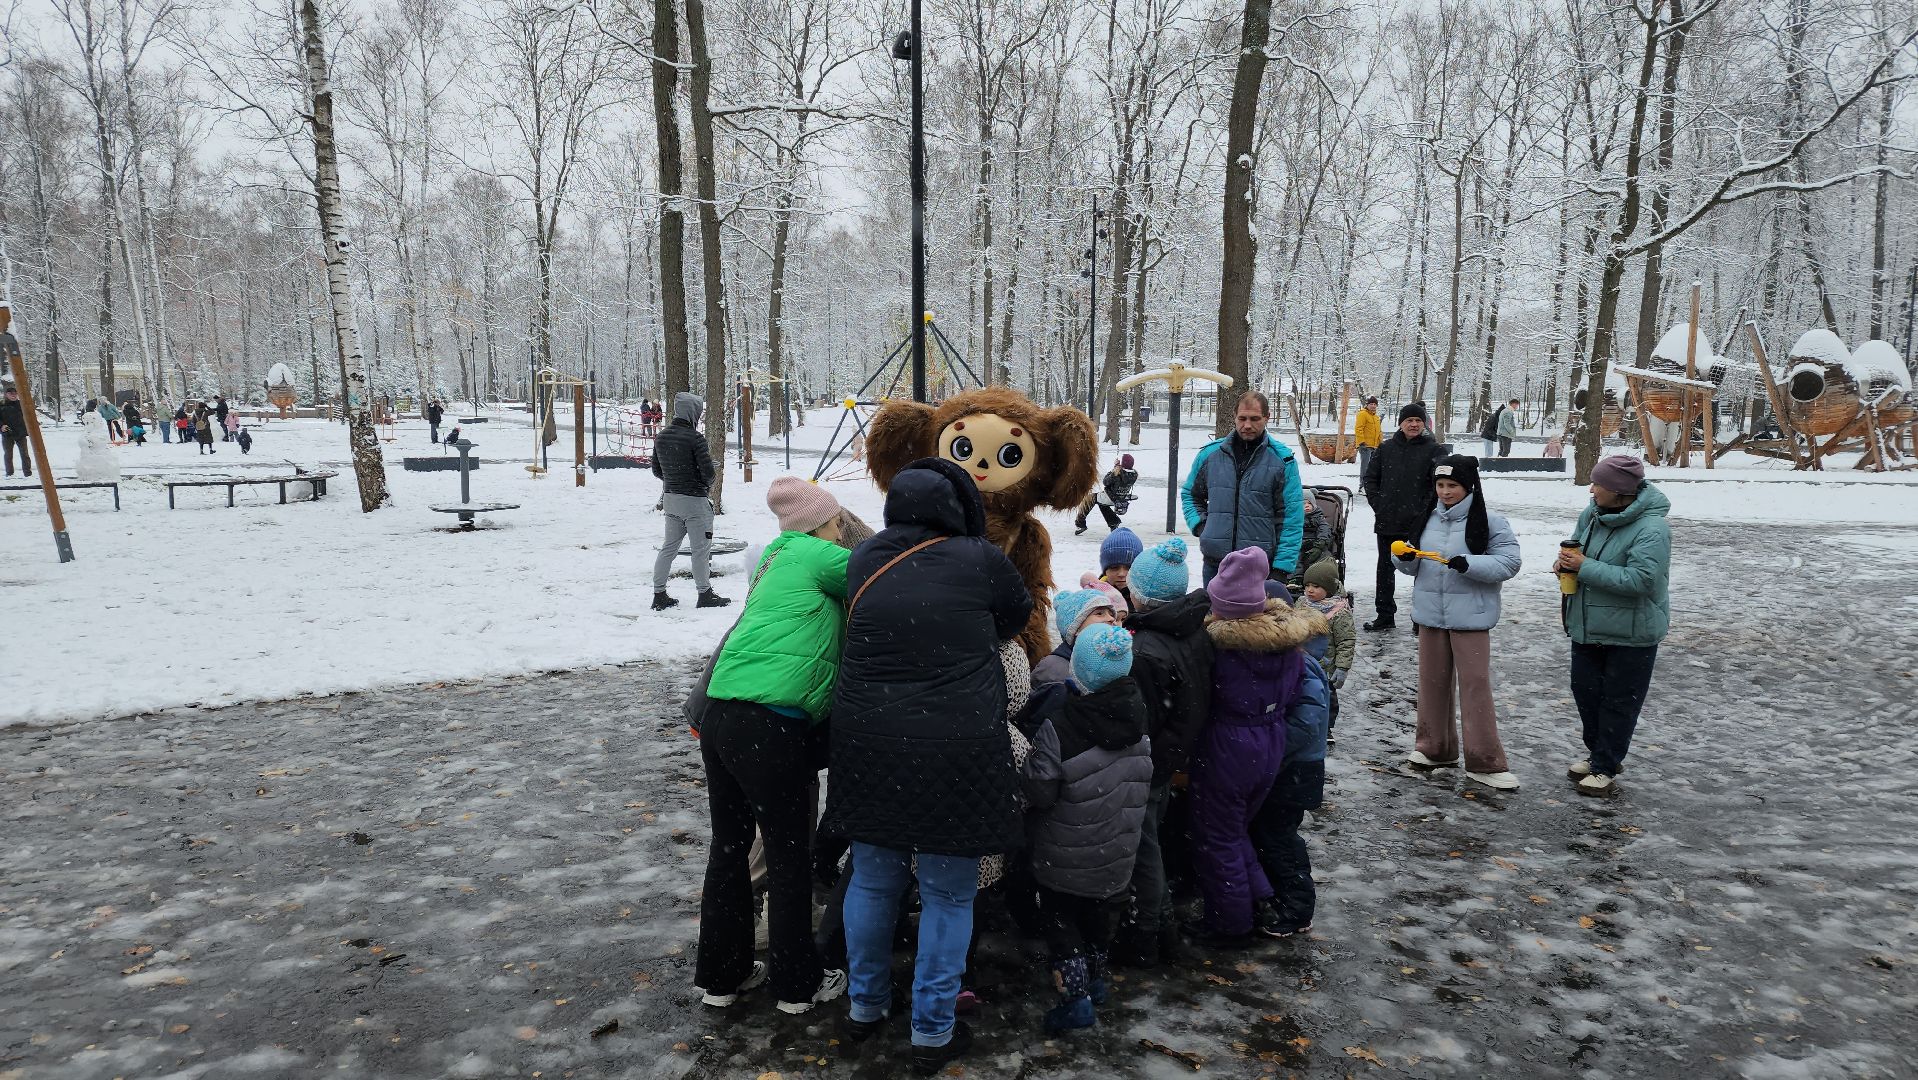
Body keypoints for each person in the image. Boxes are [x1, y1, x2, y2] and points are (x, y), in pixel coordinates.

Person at [823, 456, 1032, 1075]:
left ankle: (864, 1009)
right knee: (947, 892)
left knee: (871, 879)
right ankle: (932, 1030)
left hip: (867, 742)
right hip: (957, 749)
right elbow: (1014, 620)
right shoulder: (983, 559)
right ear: (961, 507)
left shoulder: (865, 558)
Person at [695, 477, 852, 1015]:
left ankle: (723, 975)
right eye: (836, 523)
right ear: (819, 523)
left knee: (730, 848)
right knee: (789, 858)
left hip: (721, 714)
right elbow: (882, 579)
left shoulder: (774, 559)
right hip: (770, 723)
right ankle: (796, 985)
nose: (840, 532)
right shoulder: (818, 553)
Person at [1185, 546, 1327, 947]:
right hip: (1271, 743)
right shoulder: (1286, 647)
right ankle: (1260, 896)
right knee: (1236, 831)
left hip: (1231, 747)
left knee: (1217, 838)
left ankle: (1230, 924)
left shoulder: (1224, 652)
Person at [1020, 623, 1152, 1034]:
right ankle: (1096, 981)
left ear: (1078, 670)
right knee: (1099, 921)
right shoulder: (1139, 720)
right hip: (1117, 851)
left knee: (1061, 925)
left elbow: (1041, 791)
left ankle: (1075, 999)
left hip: (1063, 853)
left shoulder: (1060, 724)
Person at [1114, 536, 1212, 968]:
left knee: (1145, 847)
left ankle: (1153, 933)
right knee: (1155, 837)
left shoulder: (1147, 649)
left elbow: (1144, 717)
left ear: (1142, 594)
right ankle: (1161, 923)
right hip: (1179, 748)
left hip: (1155, 759)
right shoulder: (1191, 626)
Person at [1397, 455, 1522, 790]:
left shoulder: (1491, 522)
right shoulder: (1425, 519)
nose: (1445, 492)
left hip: (1472, 617)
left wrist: (1470, 564)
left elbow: (1509, 563)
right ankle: (1434, 748)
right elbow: (1413, 565)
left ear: (1468, 487)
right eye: (1440, 485)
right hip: (1430, 615)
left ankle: (1486, 761)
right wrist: (1403, 558)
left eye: (1452, 485)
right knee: (1432, 683)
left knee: (1475, 685)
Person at [1556, 455, 1670, 797]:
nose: (1591, 490)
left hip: (1631, 633)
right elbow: (1576, 553)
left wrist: (1585, 567)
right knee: (1586, 693)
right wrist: (1563, 565)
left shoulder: (1653, 529)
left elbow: (1643, 581)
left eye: (1598, 484)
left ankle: (1605, 764)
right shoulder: (1591, 516)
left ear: (1620, 491)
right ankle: (1600, 755)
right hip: (1588, 624)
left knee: (1619, 701)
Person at [1180, 391, 1307, 585]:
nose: (1247, 425)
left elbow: (1291, 518)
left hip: (1259, 568)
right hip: (1216, 565)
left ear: (1267, 417)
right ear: (1235, 417)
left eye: (1255, 419)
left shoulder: (1283, 461)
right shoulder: (1210, 455)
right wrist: (1202, 526)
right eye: (1242, 418)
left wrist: (1281, 568)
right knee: (1214, 616)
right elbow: (1191, 494)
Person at [1249, 650, 1332, 938]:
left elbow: (1307, 722)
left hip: (1295, 769)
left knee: (1280, 840)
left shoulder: (1299, 664)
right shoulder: (1298, 661)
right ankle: (1280, 899)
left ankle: (1296, 909)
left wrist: (1268, 749)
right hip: (1290, 766)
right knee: (1270, 835)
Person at [1361, 402, 1448, 631]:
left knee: (1423, 571)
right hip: (1387, 520)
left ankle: (1421, 618)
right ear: (1401, 423)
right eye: (1409, 420)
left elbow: (1438, 486)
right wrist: (1378, 503)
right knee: (1385, 569)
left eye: (1418, 420)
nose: (1414, 424)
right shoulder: (1386, 448)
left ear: (1424, 424)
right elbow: (1370, 479)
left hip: (1420, 523)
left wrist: (1425, 510)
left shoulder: (1435, 451)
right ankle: (1385, 614)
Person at [650, 392, 730, 611]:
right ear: (694, 412)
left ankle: (659, 594)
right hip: (694, 502)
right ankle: (704, 594)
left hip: (671, 500)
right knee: (700, 550)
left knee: (668, 548)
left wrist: (675, 479)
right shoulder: (695, 438)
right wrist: (704, 480)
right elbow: (707, 474)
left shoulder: (662, 436)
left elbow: (657, 470)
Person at [1296, 560, 1354, 743]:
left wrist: (1342, 667)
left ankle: (1326, 727)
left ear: (1328, 588)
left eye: (1316, 586)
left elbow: (1346, 641)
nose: (1310, 590)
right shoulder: (1301, 603)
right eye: (1307, 586)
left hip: (1326, 667)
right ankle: (1303, 723)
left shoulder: (1339, 612)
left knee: (1327, 697)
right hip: (1301, 662)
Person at [1032, 587, 1120, 687]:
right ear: (1075, 628)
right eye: (1099, 613)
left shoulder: (1116, 660)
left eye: (1111, 614)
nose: (1112, 618)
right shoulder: (1053, 669)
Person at [1074, 454, 1138, 535]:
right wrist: (1118, 468)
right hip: (1121, 497)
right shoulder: (1134, 474)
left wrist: (1115, 469)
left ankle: (1080, 524)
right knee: (1102, 504)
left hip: (1110, 497)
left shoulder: (1117, 473)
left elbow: (1105, 482)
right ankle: (1113, 523)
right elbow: (1123, 476)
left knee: (1089, 499)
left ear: (1123, 464)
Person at [1095, 526, 1142, 608]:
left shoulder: (1148, 603)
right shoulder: (1093, 600)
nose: (1121, 574)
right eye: (1114, 567)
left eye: (1129, 568)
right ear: (1105, 571)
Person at [1, 385, 32, 477]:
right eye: (11, 394)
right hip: (7, 433)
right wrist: (1, 426)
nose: (13, 395)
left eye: (15, 393)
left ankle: (27, 473)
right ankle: (9, 473)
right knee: (8, 454)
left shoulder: (21, 404)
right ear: (6, 395)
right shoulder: (2, 405)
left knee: (24, 454)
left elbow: (29, 415)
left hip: (20, 432)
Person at [1354, 395, 1382, 493]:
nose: (1373, 406)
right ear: (1367, 405)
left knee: (1373, 468)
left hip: (1375, 446)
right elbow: (1359, 428)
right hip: (1365, 445)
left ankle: (1371, 486)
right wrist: (1362, 442)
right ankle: (1362, 486)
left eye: (1375, 404)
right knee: (1365, 467)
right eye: (1371, 404)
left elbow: (1379, 431)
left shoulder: (1376, 417)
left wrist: (1380, 444)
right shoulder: (1363, 414)